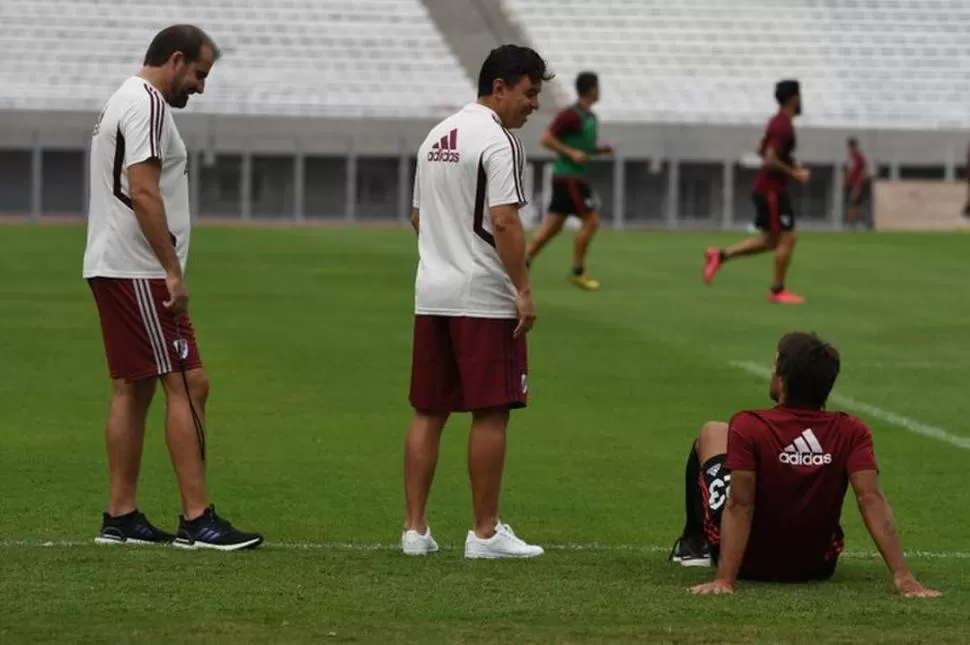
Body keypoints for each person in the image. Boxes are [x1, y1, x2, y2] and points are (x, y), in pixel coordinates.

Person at [84, 25, 262, 551]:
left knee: (132, 385)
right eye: (199, 75)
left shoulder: (121, 99)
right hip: (139, 267)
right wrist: (172, 270)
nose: (201, 88)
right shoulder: (149, 105)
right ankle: (198, 519)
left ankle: (121, 516)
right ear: (177, 59)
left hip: (112, 263)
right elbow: (143, 192)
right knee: (189, 382)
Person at [401, 44, 552, 559]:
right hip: (481, 294)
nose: (534, 105)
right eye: (530, 93)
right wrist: (523, 288)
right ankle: (484, 532)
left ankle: (415, 530)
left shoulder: (436, 135)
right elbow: (505, 219)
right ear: (500, 87)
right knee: (491, 412)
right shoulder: (500, 141)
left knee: (428, 409)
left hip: (432, 291)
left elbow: (417, 217)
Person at [669, 332, 942, 598]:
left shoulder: (748, 425)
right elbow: (870, 498)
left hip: (748, 565)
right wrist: (902, 575)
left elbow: (740, 505)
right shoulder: (852, 431)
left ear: (782, 380)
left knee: (713, 432)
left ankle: (693, 545)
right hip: (817, 565)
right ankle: (695, 546)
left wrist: (725, 579)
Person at [703, 79, 809, 304]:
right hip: (771, 191)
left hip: (769, 189)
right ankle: (778, 291)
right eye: (800, 95)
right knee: (788, 237)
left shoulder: (777, 122)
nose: (802, 100)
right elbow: (770, 159)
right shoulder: (783, 126)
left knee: (771, 241)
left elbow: (763, 151)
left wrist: (792, 163)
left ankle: (719, 256)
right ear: (793, 98)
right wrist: (795, 173)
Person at [525, 71, 613, 291]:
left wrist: (600, 150)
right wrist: (570, 152)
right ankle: (578, 271)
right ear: (592, 89)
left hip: (571, 178)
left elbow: (585, 148)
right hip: (569, 178)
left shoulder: (590, 118)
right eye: (598, 87)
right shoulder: (570, 115)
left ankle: (521, 262)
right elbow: (546, 138)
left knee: (552, 227)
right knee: (591, 221)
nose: (600, 91)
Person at [844, 137, 870, 230]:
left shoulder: (858, 156)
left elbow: (864, 169)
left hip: (857, 184)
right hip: (851, 184)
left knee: (854, 203)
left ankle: (859, 222)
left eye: (851, 146)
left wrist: (859, 183)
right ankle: (854, 222)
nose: (849, 148)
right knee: (852, 203)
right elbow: (849, 170)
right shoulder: (851, 156)